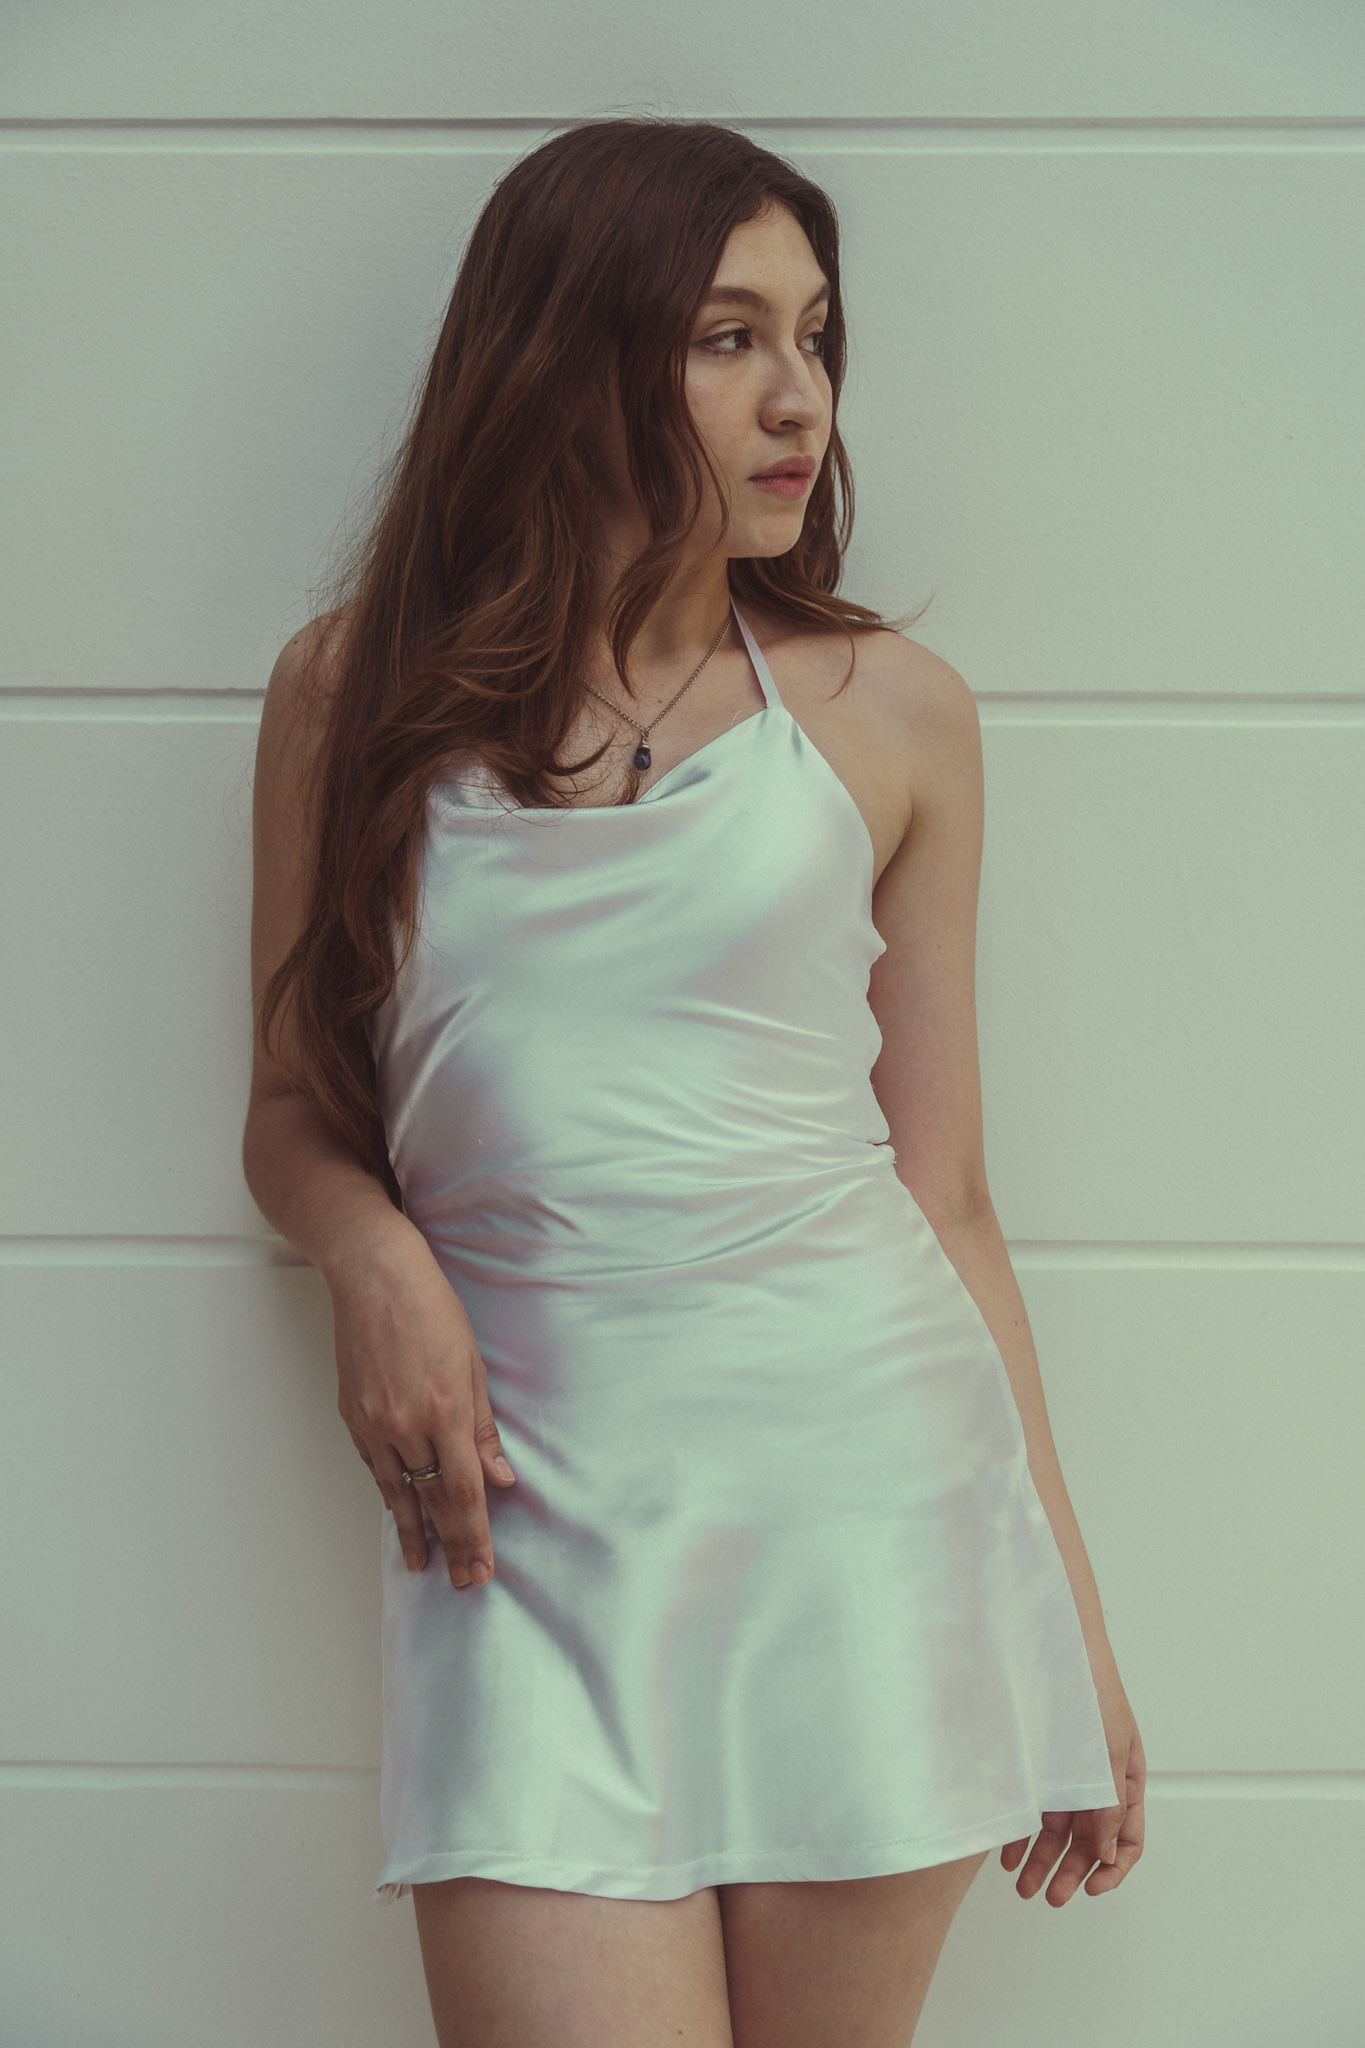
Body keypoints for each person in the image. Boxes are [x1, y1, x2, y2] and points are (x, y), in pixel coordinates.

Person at [244, 115, 1145, 2048]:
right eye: (726, 337)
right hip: (518, 1529)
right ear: (559, 354)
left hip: (865, 1508)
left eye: (814, 337)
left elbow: (946, 1195)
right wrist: (370, 1256)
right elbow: (292, 1110)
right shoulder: (350, 696)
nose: (795, 396)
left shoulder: (894, 714)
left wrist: (1062, 1621)